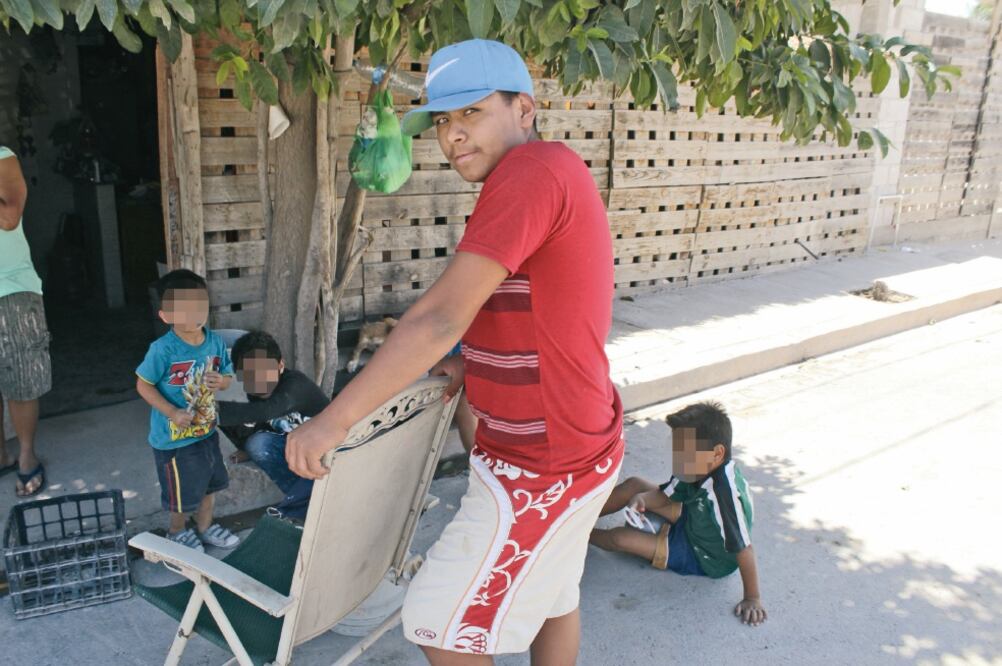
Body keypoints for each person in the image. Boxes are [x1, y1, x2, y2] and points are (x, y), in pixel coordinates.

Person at [287, 39, 624, 664]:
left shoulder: (530, 172)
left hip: (542, 461)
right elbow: (535, 305)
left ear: (524, 108)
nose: (452, 135)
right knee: (551, 593)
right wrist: (475, 362)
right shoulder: (547, 172)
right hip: (577, 438)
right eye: (442, 121)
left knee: (439, 622)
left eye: (470, 112)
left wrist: (333, 421)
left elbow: (440, 317)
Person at [590, 402, 767, 626]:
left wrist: (752, 597)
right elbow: (666, 495)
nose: (679, 458)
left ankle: (578, 535)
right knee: (635, 485)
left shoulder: (724, 496)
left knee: (619, 538)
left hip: (702, 556)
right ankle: (579, 517)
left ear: (717, 453)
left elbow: (744, 549)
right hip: (693, 517)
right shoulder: (694, 467)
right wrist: (642, 499)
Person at [135, 269, 240, 552]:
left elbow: (228, 375)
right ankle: (177, 532)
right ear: (166, 317)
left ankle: (205, 527)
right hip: (175, 440)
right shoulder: (163, 350)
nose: (193, 314)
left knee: (209, 485)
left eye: (199, 306)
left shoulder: (215, 342)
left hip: (206, 431)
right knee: (181, 496)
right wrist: (171, 411)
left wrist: (223, 381)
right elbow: (143, 386)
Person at [217, 330, 328, 520]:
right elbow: (263, 422)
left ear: (280, 365)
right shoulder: (255, 392)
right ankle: (304, 500)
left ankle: (305, 504)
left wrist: (215, 412)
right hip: (297, 449)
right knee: (256, 444)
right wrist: (246, 449)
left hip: (327, 451)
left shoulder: (295, 385)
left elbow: (269, 410)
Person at [0, 144, 51, 497]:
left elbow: (9, 216)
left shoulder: (2, 157)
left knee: (21, 378)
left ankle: (26, 455)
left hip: (10, 287)